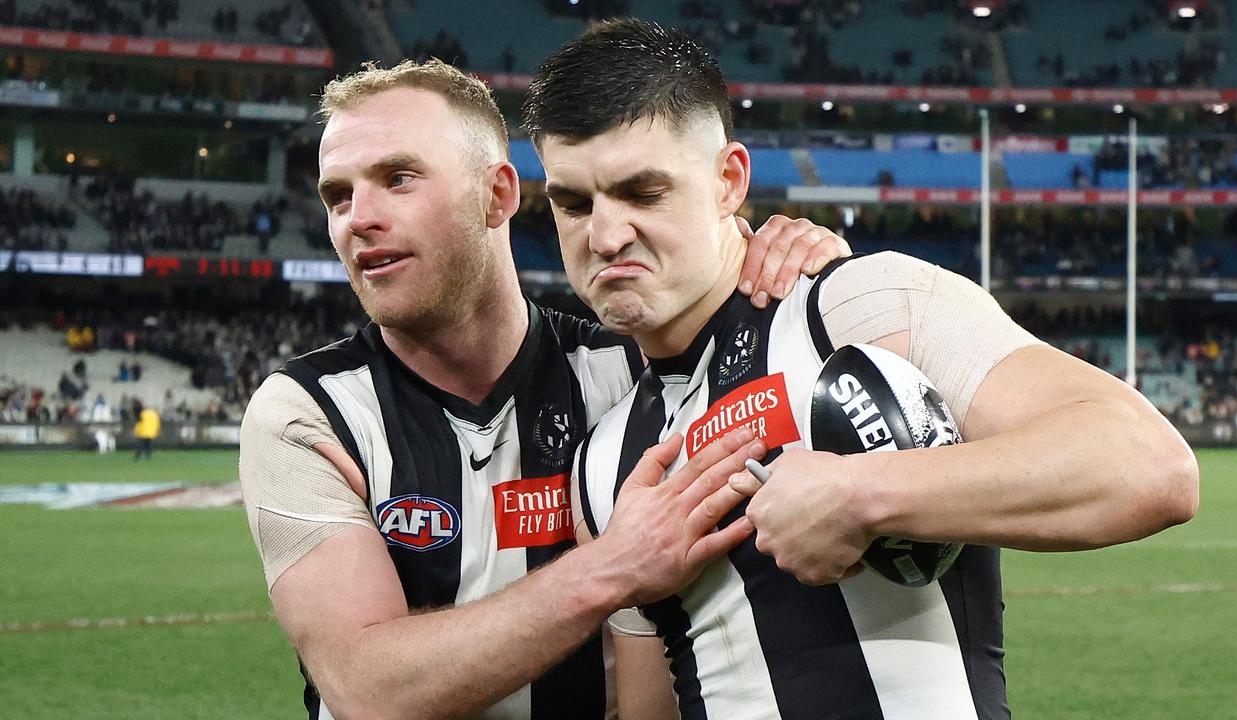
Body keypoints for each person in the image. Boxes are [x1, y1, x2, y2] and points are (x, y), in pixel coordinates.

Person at [527, 19, 1200, 720]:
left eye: (643, 193)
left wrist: (860, 494)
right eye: (573, 203)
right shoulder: (601, 466)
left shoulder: (856, 306)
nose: (603, 236)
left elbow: (1151, 466)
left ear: (729, 182)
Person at [237, 59, 851, 720]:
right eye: (338, 195)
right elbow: (367, 689)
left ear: (498, 195)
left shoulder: (632, 375)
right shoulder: (307, 413)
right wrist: (615, 567)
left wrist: (800, 264)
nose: (359, 218)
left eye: (398, 178)